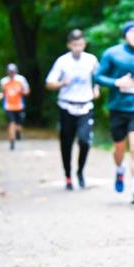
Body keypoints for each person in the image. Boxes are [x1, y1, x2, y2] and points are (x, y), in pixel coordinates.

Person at [93, 21, 134, 205]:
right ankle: (120, 169)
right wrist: (116, 82)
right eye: (132, 32)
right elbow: (97, 76)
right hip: (118, 108)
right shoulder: (112, 54)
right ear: (125, 35)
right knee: (120, 148)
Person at [45, 30, 100, 191]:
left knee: (85, 141)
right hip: (66, 107)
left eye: (81, 45)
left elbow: (100, 76)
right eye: (75, 45)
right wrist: (62, 83)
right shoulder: (62, 61)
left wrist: (96, 87)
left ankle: (80, 171)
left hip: (85, 106)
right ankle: (68, 176)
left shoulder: (91, 60)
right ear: (69, 45)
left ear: (84, 44)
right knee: (66, 143)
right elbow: (49, 83)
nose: (78, 48)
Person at [0, 63, 30, 151]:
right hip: (9, 107)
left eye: (13, 71)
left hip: (19, 106)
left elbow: (27, 91)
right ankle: (12, 142)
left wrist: (22, 92)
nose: (11, 73)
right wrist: (0, 96)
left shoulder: (21, 79)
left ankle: (18, 133)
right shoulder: (4, 81)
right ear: (8, 72)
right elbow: (1, 92)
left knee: (19, 126)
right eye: (10, 72)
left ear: (15, 71)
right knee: (11, 124)